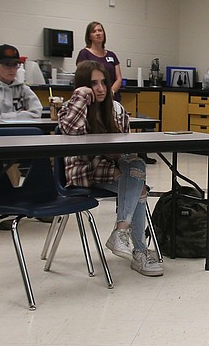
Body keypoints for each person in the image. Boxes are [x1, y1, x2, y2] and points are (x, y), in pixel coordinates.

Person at [56, 60, 162, 277]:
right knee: (138, 184)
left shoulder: (116, 110)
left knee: (137, 173)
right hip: (85, 172)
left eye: (104, 82)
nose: (101, 88)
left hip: (110, 168)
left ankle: (121, 234)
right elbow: (70, 132)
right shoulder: (74, 107)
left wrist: (116, 158)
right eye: (93, 83)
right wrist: (82, 95)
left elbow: (124, 150)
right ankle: (138, 252)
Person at [0, 44, 42, 120]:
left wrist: (4, 116)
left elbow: (37, 113)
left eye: (15, 64)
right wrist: (23, 115)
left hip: (21, 130)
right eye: (7, 65)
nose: (12, 69)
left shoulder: (23, 88)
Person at [76, 22, 123, 97]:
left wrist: (110, 93)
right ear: (89, 37)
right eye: (94, 31)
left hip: (112, 97)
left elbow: (119, 79)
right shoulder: (84, 54)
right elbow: (82, 78)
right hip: (93, 97)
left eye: (100, 30)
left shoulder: (112, 55)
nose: (98, 33)